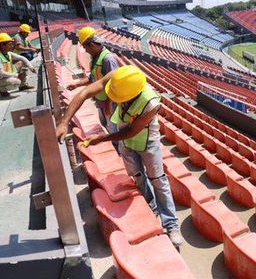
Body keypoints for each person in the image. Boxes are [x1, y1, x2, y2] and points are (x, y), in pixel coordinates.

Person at [55, 65, 182, 247]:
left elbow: (132, 131)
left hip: (146, 142)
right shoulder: (118, 78)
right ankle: (150, 206)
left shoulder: (152, 102)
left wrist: (103, 138)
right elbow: (84, 94)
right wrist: (63, 122)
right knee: (137, 177)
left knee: (158, 180)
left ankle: (171, 224)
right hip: (126, 141)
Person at [67, 26, 119, 143]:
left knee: (114, 131)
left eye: (86, 48)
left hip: (110, 104)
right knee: (106, 126)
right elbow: (93, 78)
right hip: (101, 102)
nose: (85, 51)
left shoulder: (107, 59)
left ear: (92, 45)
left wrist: (107, 104)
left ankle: (118, 152)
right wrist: (77, 84)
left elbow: (113, 83)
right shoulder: (95, 57)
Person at [0, 33, 36, 97]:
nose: (12, 46)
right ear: (3, 45)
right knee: (17, 82)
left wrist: (31, 67)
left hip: (7, 72)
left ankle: (22, 85)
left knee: (21, 62)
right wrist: (17, 75)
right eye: (9, 45)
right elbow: (1, 74)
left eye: (12, 44)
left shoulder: (9, 53)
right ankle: (1, 89)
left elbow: (23, 58)